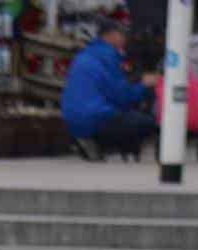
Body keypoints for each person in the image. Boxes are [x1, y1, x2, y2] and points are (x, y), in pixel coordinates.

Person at [60, 15, 159, 160]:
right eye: (123, 33)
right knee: (148, 123)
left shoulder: (88, 53)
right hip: (96, 117)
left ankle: (93, 142)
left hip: (72, 118)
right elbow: (121, 96)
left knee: (128, 116)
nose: (126, 37)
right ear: (111, 35)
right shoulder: (109, 56)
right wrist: (143, 86)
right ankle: (99, 143)